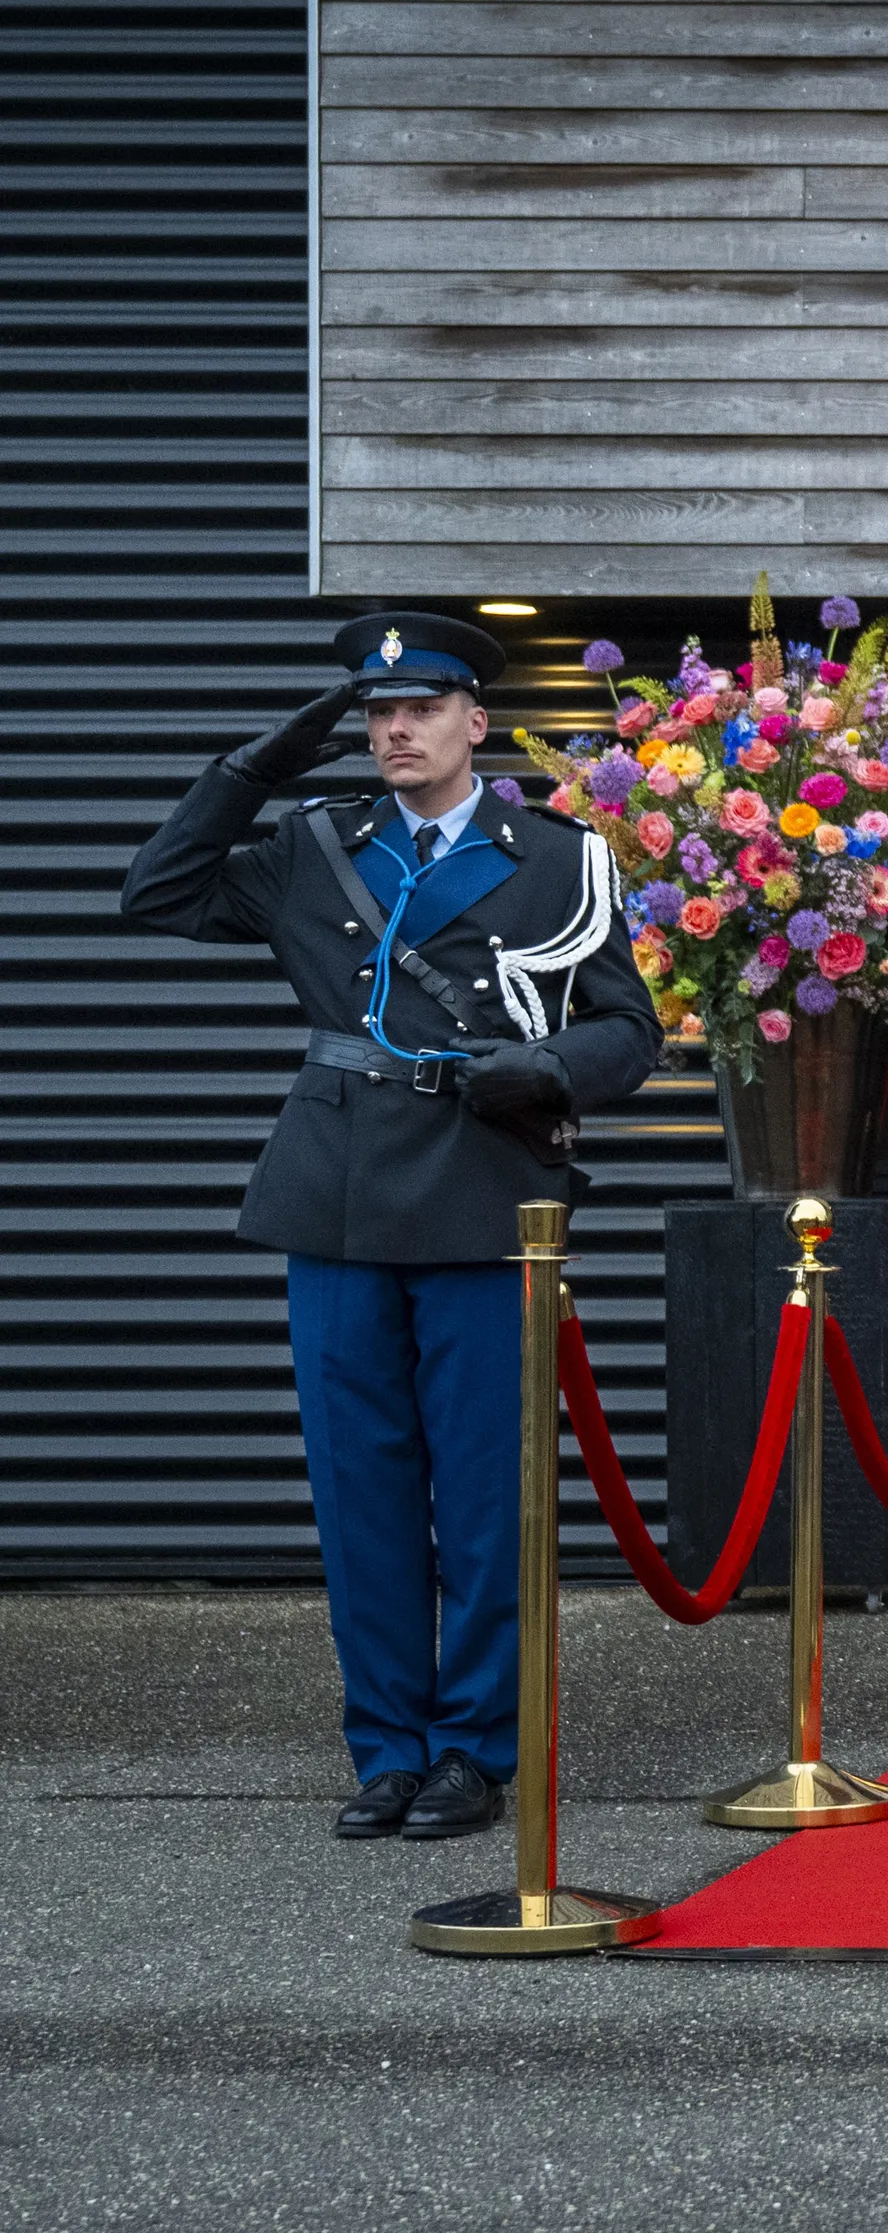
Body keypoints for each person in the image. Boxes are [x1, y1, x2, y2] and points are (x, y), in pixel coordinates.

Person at [121, 612, 659, 1842]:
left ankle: (473, 1749)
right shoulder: (315, 845)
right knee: (359, 1494)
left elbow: (632, 1030)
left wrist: (549, 1066)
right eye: (375, 713)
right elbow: (154, 892)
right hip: (340, 1192)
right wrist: (262, 761)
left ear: (477, 721)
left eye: (420, 708)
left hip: (479, 1191)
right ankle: (387, 1749)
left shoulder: (558, 857)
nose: (395, 730)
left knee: (481, 1496)